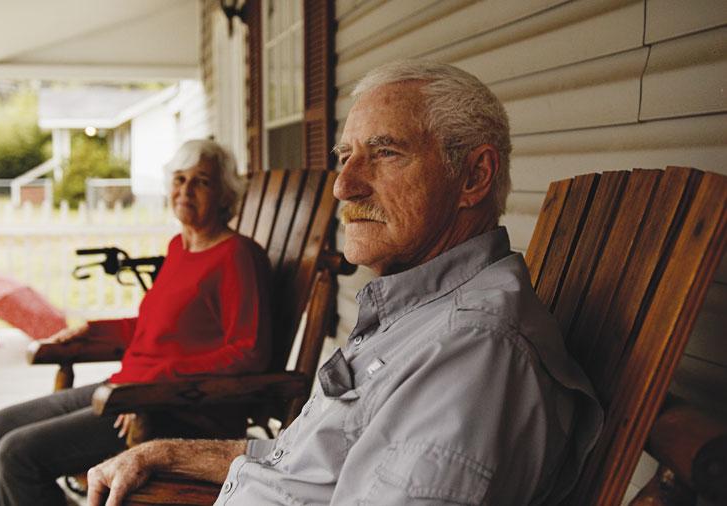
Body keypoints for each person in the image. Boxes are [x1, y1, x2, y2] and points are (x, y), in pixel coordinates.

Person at [85, 60, 604, 506]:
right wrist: (164, 453)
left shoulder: (472, 350)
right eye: (345, 155)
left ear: (473, 178)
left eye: (385, 153)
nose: (343, 185)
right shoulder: (415, 312)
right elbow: (305, 457)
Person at [0, 139, 273, 506]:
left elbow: (248, 353)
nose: (186, 190)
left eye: (201, 181)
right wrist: (93, 330)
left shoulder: (238, 256)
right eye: (180, 179)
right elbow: (152, 327)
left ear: (223, 195)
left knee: (17, 455)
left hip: (176, 409)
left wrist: (155, 381)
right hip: (132, 388)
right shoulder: (179, 247)